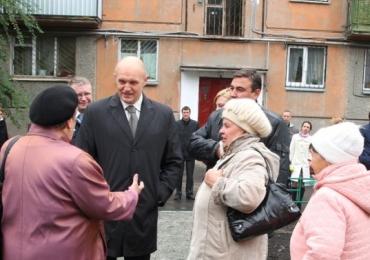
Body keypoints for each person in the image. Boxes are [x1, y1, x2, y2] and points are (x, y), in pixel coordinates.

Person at [0, 85, 144, 260]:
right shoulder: (76, 160)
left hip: (12, 251)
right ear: (69, 122)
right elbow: (105, 205)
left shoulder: (10, 147)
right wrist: (132, 194)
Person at [74, 56, 182, 260]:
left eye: (133, 82)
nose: (127, 88)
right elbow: (80, 158)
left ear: (145, 80)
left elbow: (174, 160)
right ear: (115, 79)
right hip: (105, 210)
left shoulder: (163, 114)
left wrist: (159, 192)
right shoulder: (96, 113)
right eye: (122, 81)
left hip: (143, 212)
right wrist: (94, 195)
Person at [187, 98, 280, 260]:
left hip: (226, 254)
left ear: (245, 130)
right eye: (222, 125)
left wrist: (217, 183)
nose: (220, 131)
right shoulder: (234, 153)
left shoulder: (250, 157)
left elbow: (248, 197)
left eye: (227, 126)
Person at [189, 69, 290, 186]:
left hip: (251, 197)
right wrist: (216, 149)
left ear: (256, 93)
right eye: (232, 88)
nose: (232, 94)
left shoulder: (274, 123)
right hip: (213, 195)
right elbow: (192, 143)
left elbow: (280, 172)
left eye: (239, 89)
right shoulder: (217, 116)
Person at [290, 122, 370, 259]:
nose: (309, 160)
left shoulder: (328, 198)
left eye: (313, 154)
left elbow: (322, 255)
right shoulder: (359, 186)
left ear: (328, 157)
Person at [174, 106, 199, 201]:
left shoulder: (195, 124)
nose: (185, 114)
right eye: (184, 112)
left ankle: (189, 193)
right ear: (182, 113)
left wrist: (196, 150)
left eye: (187, 112)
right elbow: (174, 138)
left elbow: (197, 138)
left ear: (189, 113)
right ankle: (178, 193)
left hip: (190, 153)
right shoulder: (176, 124)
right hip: (179, 153)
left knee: (190, 175)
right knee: (179, 175)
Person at [289, 121, 313, 207]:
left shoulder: (311, 139)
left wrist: (309, 160)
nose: (306, 128)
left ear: (310, 129)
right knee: (294, 184)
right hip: (296, 164)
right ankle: (292, 203)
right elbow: (292, 150)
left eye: (308, 127)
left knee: (302, 185)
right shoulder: (295, 137)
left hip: (305, 165)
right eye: (304, 126)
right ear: (301, 127)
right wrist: (291, 162)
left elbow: (311, 152)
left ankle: (299, 204)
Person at [70, 76, 93, 142]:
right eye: (79, 95)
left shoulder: (101, 116)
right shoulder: (64, 120)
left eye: (87, 94)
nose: (83, 98)